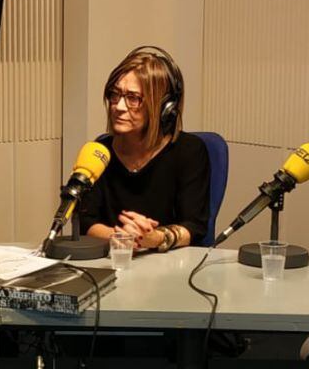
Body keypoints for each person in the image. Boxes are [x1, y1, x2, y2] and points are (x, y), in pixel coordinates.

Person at [78, 46, 210, 252]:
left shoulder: (189, 151)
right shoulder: (100, 153)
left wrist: (156, 238)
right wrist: (123, 237)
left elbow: (195, 227)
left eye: (133, 98)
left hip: (171, 268)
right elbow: (86, 222)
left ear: (164, 107)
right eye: (115, 94)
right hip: (114, 263)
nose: (119, 106)